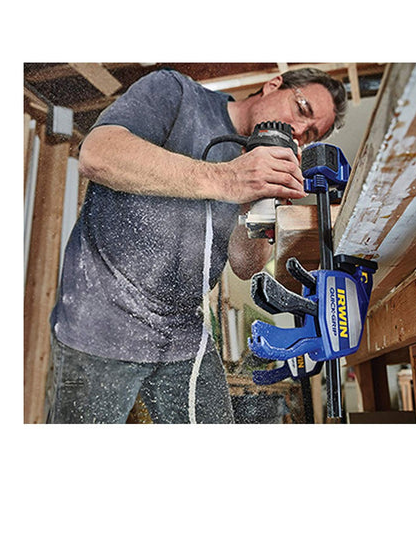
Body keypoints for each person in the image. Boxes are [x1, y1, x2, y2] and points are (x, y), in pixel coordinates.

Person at [46, 66, 347, 424]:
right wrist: (228, 178)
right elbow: (98, 154)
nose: (298, 130)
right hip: (101, 322)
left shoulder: (259, 164)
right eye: (301, 109)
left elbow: (244, 264)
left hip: (182, 332)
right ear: (273, 85)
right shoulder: (176, 93)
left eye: (310, 134)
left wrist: (261, 206)